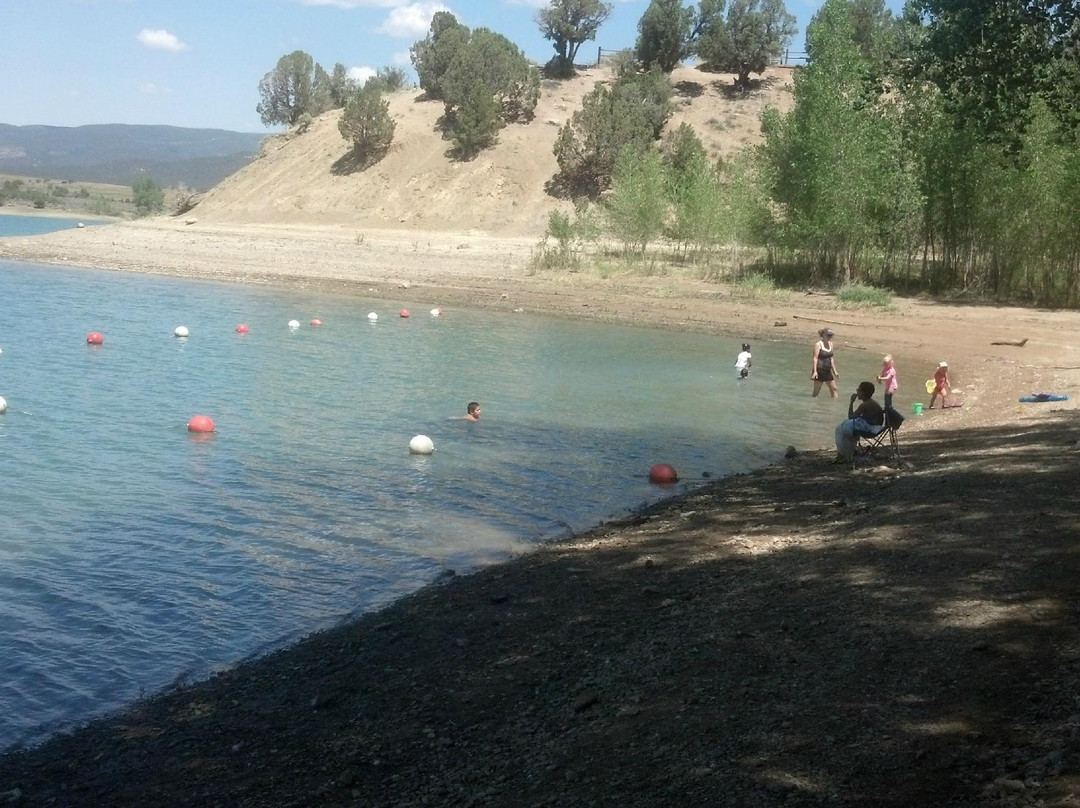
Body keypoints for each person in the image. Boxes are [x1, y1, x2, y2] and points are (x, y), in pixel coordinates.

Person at [834, 381, 884, 463]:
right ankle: (848, 453)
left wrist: (851, 402)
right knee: (843, 428)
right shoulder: (872, 402)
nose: (857, 391)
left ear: (863, 393)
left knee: (840, 429)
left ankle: (844, 455)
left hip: (870, 428)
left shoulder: (865, 404)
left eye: (858, 390)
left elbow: (851, 417)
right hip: (874, 427)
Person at [812, 328, 839, 398]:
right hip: (819, 370)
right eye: (828, 335)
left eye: (831, 336)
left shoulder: (831, 344)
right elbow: (815, 358)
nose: (830, 337)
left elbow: (831, 358)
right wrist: (815, 371)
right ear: (824, 335)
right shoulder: (818, 344)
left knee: (834, 389)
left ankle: (834, 406)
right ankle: (814, 407)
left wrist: (834, 371)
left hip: (827, 370)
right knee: (816, 392)